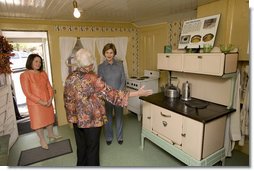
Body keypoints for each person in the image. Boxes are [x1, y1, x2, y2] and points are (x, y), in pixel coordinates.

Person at [64, 48, 152, 166]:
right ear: (87, 65)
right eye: (89, 66)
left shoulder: (70, 77)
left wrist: (72, 117)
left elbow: (67, 99)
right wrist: (137, 93)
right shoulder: (93, 78)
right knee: (92, 150)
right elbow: (112, 94)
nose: (91, 68)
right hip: (92, 121)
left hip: (77, 120)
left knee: (81, 147)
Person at [20, 54, 61, 150]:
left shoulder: (43, 73)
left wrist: (50, 99)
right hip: (35, 104)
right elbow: (27, 93)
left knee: (50, 120)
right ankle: (42, 140)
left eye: (40, 62)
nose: (38, 64)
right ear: (30, 62)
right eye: (36, 61)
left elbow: (49, 87)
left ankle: (51, 135)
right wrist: (41, 102)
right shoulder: (24, 75)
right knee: (38, 123)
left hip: (47, 101)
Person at [98, 43, 125, 145]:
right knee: (108, 117)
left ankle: (120, 137)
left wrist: (120, 91)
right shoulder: (101, 67)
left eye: (111, 52)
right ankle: (109, 137)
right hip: (107, 97)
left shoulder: (120, 64)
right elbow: (100, 83)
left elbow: (123, 79)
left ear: (114, 54)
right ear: (104, 53)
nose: (109, 55)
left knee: (119, 117)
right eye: (107, 52)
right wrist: (107, 94)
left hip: (119, 95)